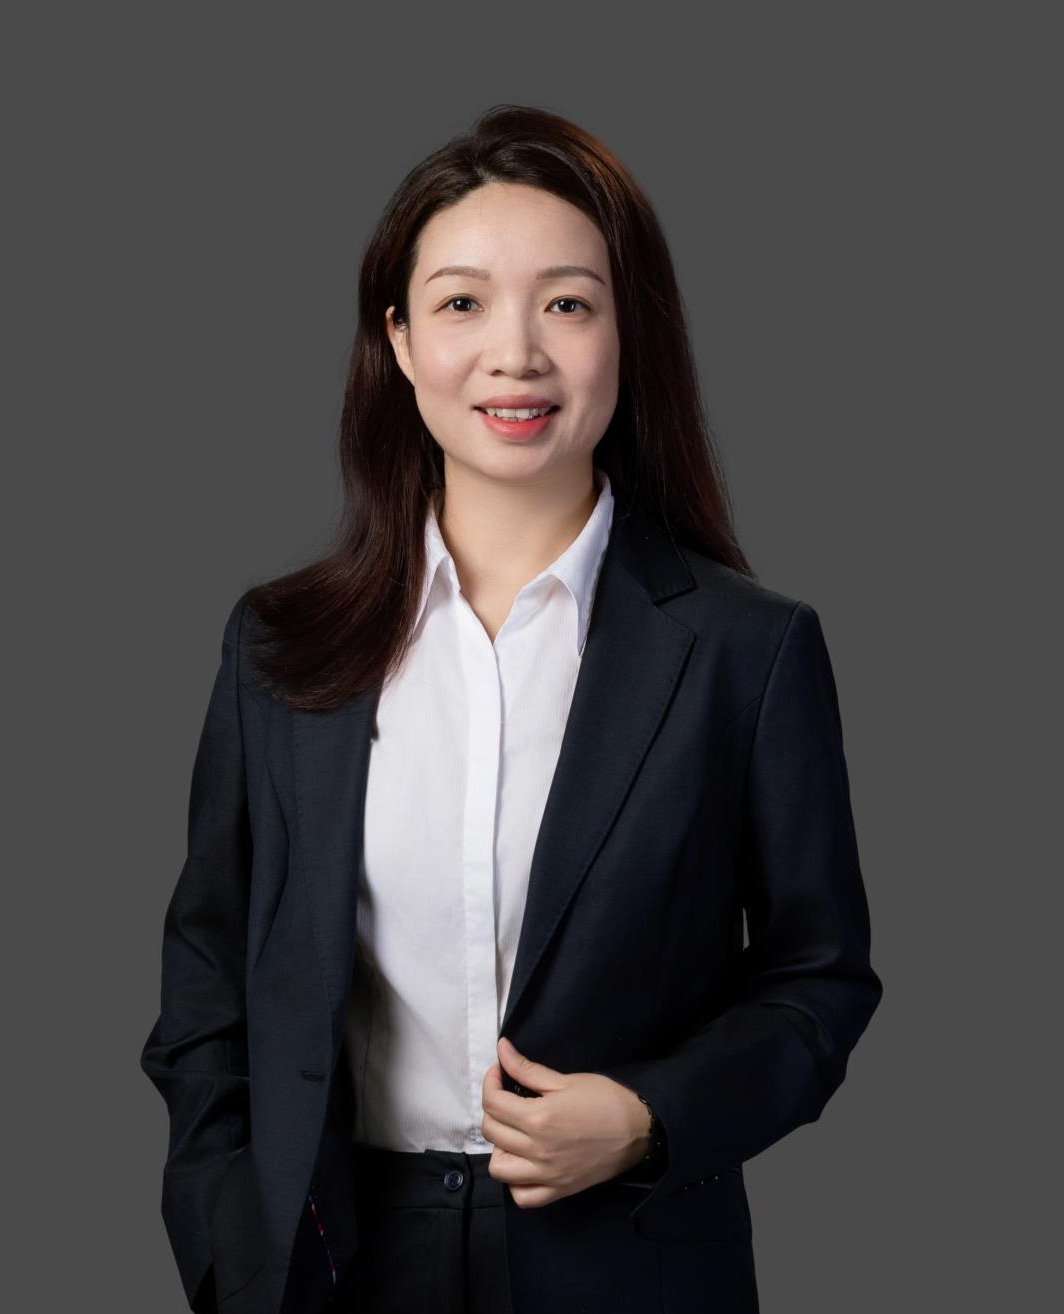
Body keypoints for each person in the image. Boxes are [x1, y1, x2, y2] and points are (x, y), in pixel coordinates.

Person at [140, 103, 883, 1314]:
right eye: (461, 303)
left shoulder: (746, 652)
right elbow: (207, 981)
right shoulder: (279, 649)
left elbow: (819, 981)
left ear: (626, 333)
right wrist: (232, 1251)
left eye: (567, 304)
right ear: (397, 338)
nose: (515, 354)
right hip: (341, 1267)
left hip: (631, 1264)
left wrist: (647, 1116)